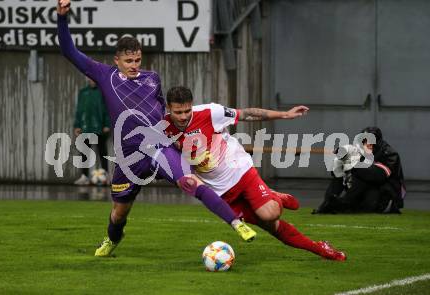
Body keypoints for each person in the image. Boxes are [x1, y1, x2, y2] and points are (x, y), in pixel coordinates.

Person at [56, 0, 256, 257]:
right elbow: (69, 51)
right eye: (128, 60)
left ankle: (236, 223)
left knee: (189, 181)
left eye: (137, 59)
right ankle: (111, 239)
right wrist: (62, 18)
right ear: (116, 60)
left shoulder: (152, 79)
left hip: (158, 147)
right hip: (129, 158)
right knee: (119, 213)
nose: (134, 65)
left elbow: (163, 112)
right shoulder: (104, 75)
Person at [164, 86, 347, 261]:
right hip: (221, 193)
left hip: (241, 171)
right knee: (271, 227)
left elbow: (247, 113)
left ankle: (275, 197)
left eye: (187, 111)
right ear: (169, 109)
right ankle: (321, 248)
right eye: (178, 112)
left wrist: (284, 114)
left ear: (192, 105)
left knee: (269, 213)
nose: (183, 116)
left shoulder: (211, 112)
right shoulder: (164, 128)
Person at [313, 126, 406, 214]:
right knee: (342, 174)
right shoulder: (359, 150)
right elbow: (336, 173)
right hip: (367, 188)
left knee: (360, 177)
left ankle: (342, 203)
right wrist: (340, 161)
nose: (365, 143)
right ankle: (327, 203)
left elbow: (378, 176)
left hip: (386, 194)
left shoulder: (389, 154)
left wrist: (352, 164)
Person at [73, 78, 111, 185]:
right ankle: (84, 176)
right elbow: (79, 110)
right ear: (86, 78)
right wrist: (77, 125)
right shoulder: (83, 92)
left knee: (102, 152)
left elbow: (108, 108)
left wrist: (107, 124)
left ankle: (106, 176)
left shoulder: (103, 92)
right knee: (84, 153)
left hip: (99, 127)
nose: (91, 79)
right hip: (86, 127)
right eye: (89, 77)